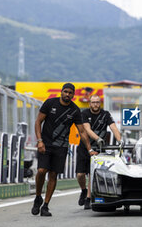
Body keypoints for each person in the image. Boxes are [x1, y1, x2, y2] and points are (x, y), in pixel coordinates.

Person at [31, 83, 97, 217]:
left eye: (70, 93)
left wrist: (90, 149)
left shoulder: (75, 110)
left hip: (61, 147)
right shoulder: (50, 103)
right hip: (45, 144)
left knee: (53, 175)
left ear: (73, 95)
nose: (67, 94)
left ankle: (46, 206)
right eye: (65, 92)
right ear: (61, 92)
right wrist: (39, 141)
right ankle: (38, 197)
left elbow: (82, 131)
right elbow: (38, 122)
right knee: (41, 171)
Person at [76, 95, 123, 209]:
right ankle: (83, 190)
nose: (95, 104)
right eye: (93, 102)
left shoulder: (105, 114)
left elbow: (114, 128)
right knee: (80, 174)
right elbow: (87, 129)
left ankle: (88, 198)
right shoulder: (84, 114)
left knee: (92, 173)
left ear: (100, 103)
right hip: (85, 146)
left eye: (97, 102)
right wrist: (98, 139)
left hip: (99, 149)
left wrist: (120, 140)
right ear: (89, 104)